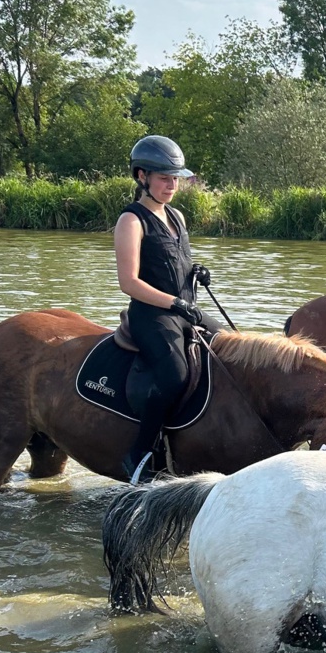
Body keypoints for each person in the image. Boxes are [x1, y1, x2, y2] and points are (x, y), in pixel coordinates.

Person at [114, 134, 221, 485]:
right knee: (174, 373)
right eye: (164, 178)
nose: (172, 185)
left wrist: (196, 272)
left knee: (231, 345)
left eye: (176, 178)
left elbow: (174, 264)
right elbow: (129, 282)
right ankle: (140, 453)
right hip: (151, 314)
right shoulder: (131, 221)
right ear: (141, 176)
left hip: (183, 308)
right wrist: (173, 302)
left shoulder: (177, 216)